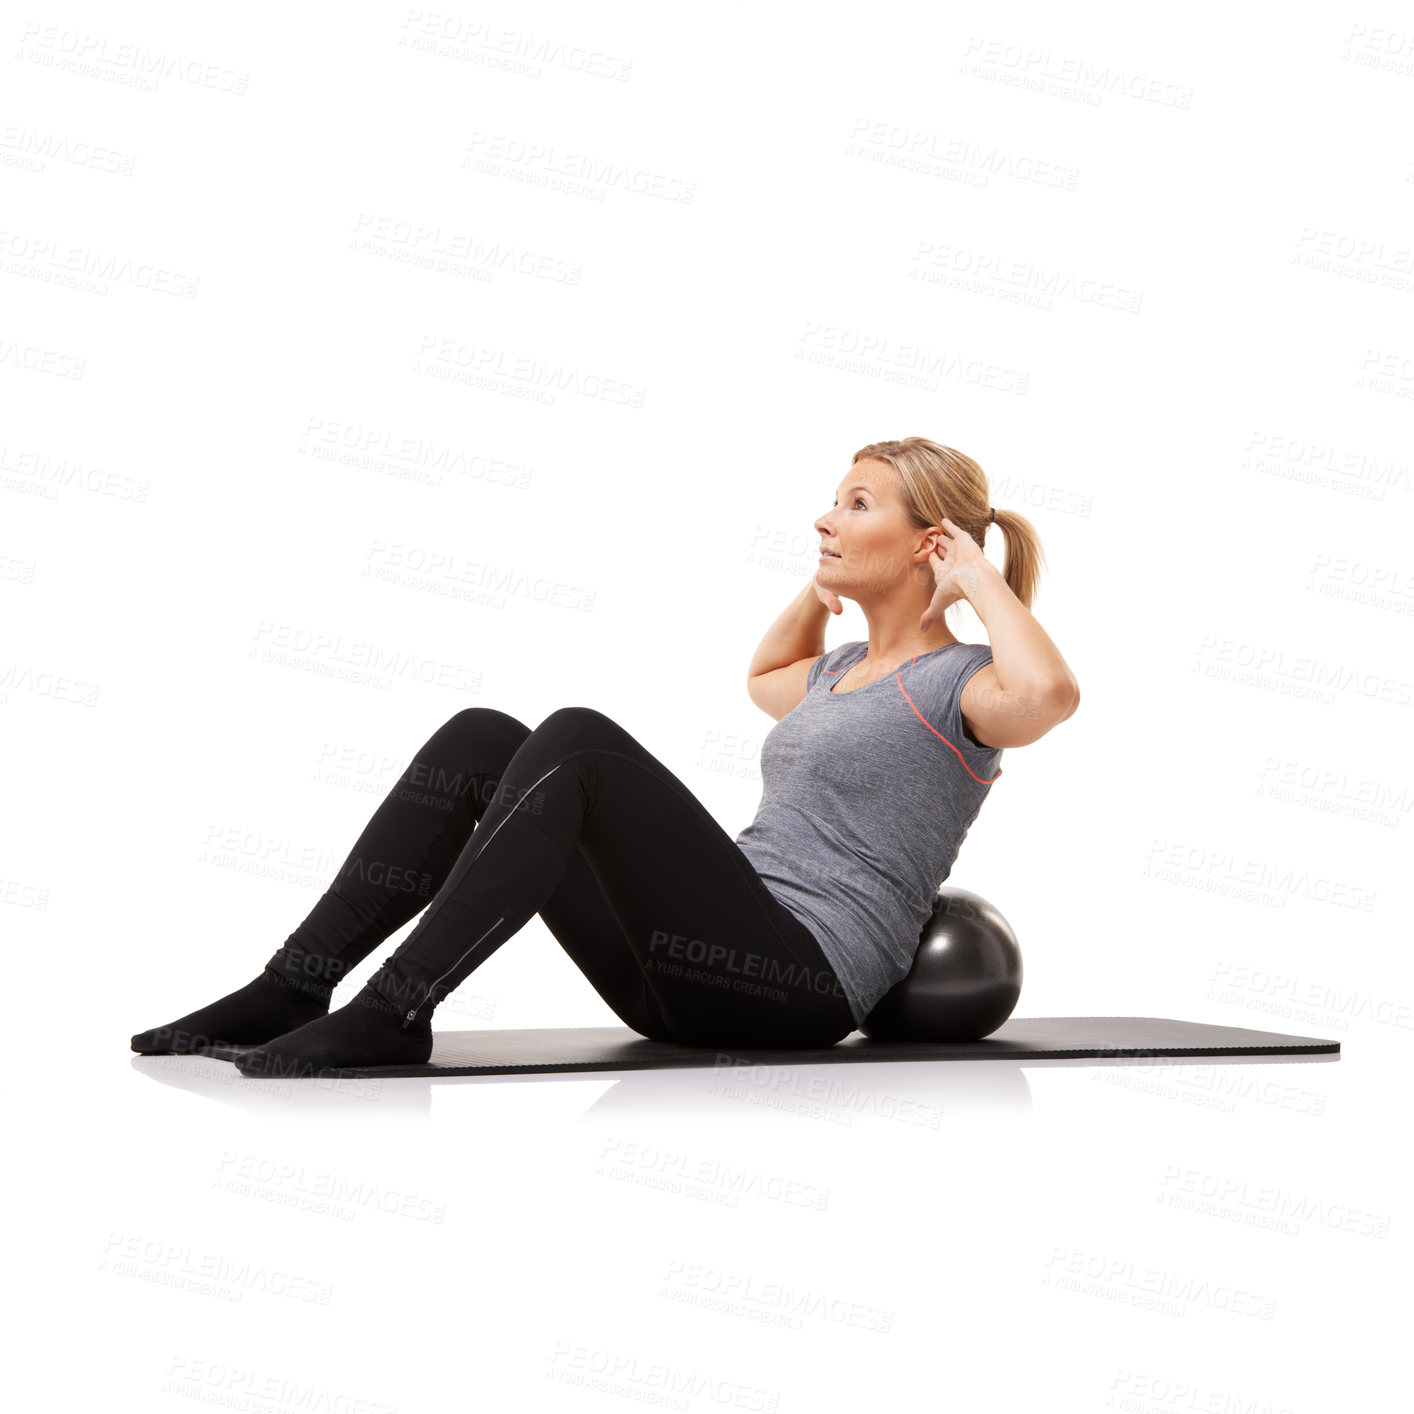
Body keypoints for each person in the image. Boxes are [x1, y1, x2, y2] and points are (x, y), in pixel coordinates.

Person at [131, 437, 1079, 1076]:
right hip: (681, 974)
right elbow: (766, 674)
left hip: (796, 985)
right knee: (482, 739)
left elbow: (1050, 697)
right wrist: (818, 587)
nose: (825, 519)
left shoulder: (967, 685)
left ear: (930, 544)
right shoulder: (836, 672)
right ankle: (290, 983)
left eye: (856, 505)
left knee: (579, 741)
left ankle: (397, 1008)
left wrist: (979, 582)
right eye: (831, 501)